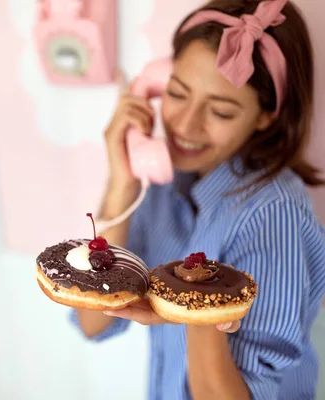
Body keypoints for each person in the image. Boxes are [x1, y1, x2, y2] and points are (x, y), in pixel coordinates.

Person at [70, 0, 325, 399]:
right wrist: (122, 182)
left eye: (220, 111)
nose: (185, 126)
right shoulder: (161, 184)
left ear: (265, 116)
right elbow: (92, 321)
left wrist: (197, 309)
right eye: (177, 92)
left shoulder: (273, 214)